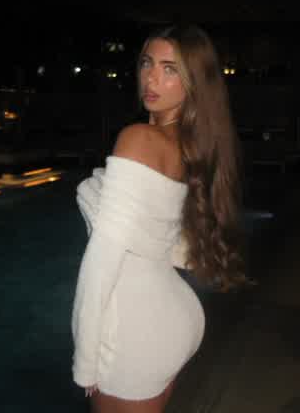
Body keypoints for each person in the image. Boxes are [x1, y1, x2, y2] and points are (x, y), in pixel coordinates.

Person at [71, 24, 249, 412]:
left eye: (170, 69)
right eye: (147, 63)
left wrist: (84, 361)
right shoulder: (189, 145)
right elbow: (169, 235)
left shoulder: (139, 139)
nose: (151, 78)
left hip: (133, 333)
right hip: (172, 316)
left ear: (194, 82)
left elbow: (102, 260)